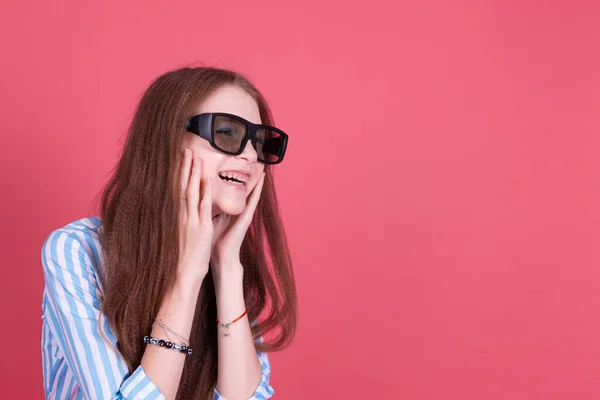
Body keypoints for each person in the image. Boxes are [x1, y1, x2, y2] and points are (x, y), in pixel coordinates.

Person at [40, 67, 298, 400]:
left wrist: (226, 267)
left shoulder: (226, 265)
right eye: (226, 133)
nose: (250, 155)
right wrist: (188, 273)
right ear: (166, 143)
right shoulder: (77, 252)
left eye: (261, 142)